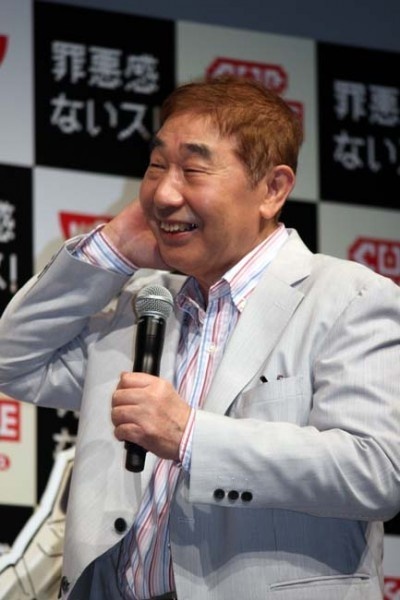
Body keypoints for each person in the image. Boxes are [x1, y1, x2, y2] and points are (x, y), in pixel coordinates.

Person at [0, 75, 399, 600]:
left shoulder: (349, 297)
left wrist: (189, 436)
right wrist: (113, 248)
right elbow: (13, 360)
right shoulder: (145, 306)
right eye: (156, 166)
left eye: (192, 170)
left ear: (273, 189)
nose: (164, 194)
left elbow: (377, 469)